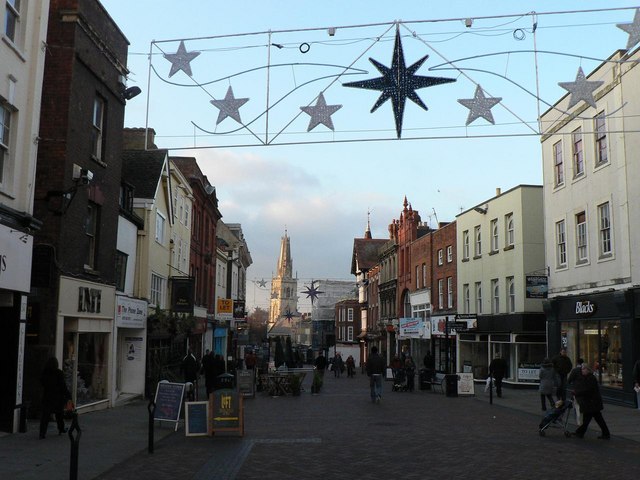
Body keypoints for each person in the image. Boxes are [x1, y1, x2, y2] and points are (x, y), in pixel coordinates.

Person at [572, 365, 611, 439]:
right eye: (582, 369)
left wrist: (577, 393)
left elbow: (587, 390)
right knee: (597, 418)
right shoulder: (587, 378)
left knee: (588, 419)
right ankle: (605, 433)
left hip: (592, 402)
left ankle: (580, 433)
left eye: (584, 369)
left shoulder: (591, 378)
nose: (582, 370)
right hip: (591, 402)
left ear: (588, 370)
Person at [39, 357, 71, 439]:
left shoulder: (45, 373)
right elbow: (62, 386)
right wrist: (68, 395)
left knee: (45, 416)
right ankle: (61, 428)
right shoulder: (58, 373)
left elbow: (42, 383)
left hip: (47, 397)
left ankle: (42, 433)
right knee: (59, 415)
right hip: (57, 397)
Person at [568, 358, 585, 425]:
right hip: (585, 390)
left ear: (577, 363)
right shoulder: (585, 370)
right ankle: (582, 419)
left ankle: (579, 422)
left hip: (577, 390)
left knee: (577, 406)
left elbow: (569, 380)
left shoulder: (575, 370)